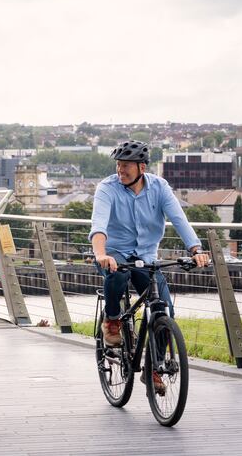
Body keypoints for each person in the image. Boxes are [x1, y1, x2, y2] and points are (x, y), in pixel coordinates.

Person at [89, 140, 210, 392]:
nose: (120, 170)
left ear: (142, 168)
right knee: (117, 275)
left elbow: (179, 219)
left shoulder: (159, 187)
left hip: (146, 257)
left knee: (164, 310)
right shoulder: (107, 188)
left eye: (126, 167)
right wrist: (101, 254)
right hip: (115, 254)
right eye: (119, 165)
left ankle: (153, 368)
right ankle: (112, 321)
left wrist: (195, 249)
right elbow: (98, 226)